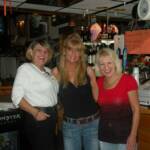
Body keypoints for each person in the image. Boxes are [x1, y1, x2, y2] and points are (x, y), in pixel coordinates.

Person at [52, 33, 100, 150]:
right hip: (70, 126)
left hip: (92, 124)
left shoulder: (88, 70)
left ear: (81, 53)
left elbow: (97, 97)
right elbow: (52, 96)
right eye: (70, 49)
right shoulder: (56, 72)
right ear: (64, 51)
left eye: (77, 50)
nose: (74, 54)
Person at [11, 39, 58, 150]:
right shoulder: (25, 69)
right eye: (39, 50)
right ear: (31, 52)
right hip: (37, 117)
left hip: (50, 116)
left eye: (46, 51)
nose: (43, 54)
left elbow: (54, 93)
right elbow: (16, 97)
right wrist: (35, 112)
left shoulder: (48, 71)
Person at [96, 48, 140, 150]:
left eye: (109, 63)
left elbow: (136, 110)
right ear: (98, 66)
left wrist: (133, 136)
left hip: (125, 136)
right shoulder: (99, 82)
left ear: (115, 63)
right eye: (102, 64)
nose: (106, 67)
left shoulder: (128, 80)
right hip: (105, 135)